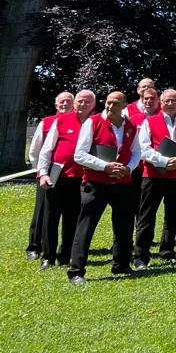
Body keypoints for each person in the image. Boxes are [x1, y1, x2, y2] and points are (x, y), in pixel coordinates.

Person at [66, 91, 140, 284]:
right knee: (86, 227)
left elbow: (136, 154)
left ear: (124, 105)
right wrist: (104, 166)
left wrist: (127, 168)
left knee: (124, 227)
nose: (110, 106)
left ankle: (122, 265)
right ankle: (76, 271)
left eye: (115, 103)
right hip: (96, 183)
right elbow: (79, 155)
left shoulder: (131, 126)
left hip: (122, 184)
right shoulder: (93, 122)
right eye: (108, 102)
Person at [134, 88, 176, 268]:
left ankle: (167, 252)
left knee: (172, 216)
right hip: (153, 175)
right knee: (147, 216)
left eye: (173, 100)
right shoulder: (149, 122)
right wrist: (164, 161)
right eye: (167, 101)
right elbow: (143, 149)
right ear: (161, 103)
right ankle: (141, 257)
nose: (170, 104)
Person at [37, 90, 96, 270]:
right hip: (57, 176)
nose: (82, 104)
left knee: (72, 218)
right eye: (80, 101)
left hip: (81, 178)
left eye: (87, 102)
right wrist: (43, 173)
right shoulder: (61, 120)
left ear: (93, 105)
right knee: (50, 217)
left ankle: (65, 255)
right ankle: (48, 256)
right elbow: (47, 149)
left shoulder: (95, 123)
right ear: (74, 102)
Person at [26, 91, 73, 262]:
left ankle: (61, 249)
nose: (65, 104)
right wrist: (40, 171)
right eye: (61, 102)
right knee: (41, 212)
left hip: (67, 177)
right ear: (56, 105)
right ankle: (34, 246)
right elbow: (35, 150)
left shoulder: (80, 123)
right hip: (47, 173)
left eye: (68, 101)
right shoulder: (46, 122)